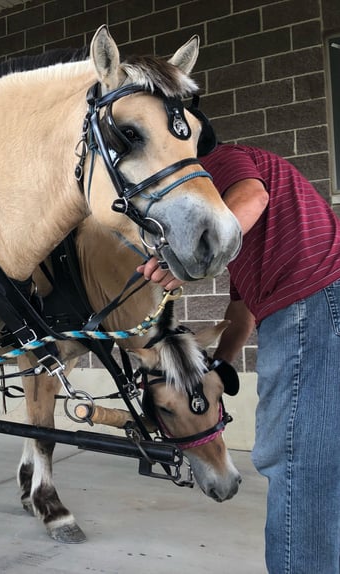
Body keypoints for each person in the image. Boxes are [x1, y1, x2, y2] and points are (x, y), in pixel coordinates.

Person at [139, 141, 340, 574]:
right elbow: (242, 309)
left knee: (295, 459)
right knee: (319, 458)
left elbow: (252, 198)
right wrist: (223, 362)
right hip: (313, 303)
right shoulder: (253, 251)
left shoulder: (217, 161)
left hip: (308, 301)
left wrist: (189, 264)